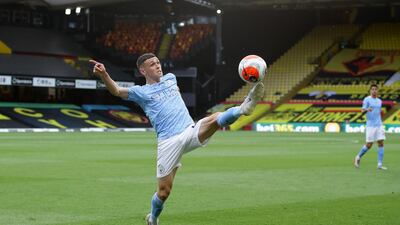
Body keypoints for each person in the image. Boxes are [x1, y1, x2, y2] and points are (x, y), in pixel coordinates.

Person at [90, 53, 264, 225]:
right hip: (168, 142)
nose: (158, 65)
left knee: (216, 118)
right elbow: (117, 90)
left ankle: (243, 108)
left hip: (189, 130)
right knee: (164, 192)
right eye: (152, 64)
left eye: (158, 62)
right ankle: (153, 218)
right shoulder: (141, 92)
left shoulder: (171, 78)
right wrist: (104, 74)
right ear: (143, 71)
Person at [354, 84, 387, 170]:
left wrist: (382, 125)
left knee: (381, 143)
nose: (374, 91)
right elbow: (362, 112)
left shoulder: (379, 101)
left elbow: (378, 113)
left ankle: (379, 164)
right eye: (372, 89)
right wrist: (367, 110)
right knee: (369, 145)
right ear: (370, 91)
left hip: (379, 125)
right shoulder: (367, 99)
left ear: (377, 91)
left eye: (376, 89)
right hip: (370, 126)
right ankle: (358, 157)